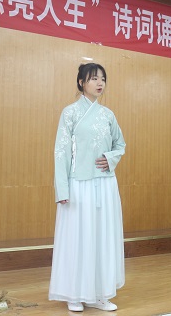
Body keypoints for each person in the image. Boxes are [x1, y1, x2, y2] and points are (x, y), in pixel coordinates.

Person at [48, 63, 126, 312]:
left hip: (105, 183)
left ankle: (100, 294)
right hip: (78, 185)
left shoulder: (108, 115)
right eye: (94, 78)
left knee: (102, 238)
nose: (100, 83)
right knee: (78, 239)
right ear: (81, 82)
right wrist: (62, 189)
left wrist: (110, 158)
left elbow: (120, 145)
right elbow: (60, 152)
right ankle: (75, 294)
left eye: (103, 79)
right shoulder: (69, 113)